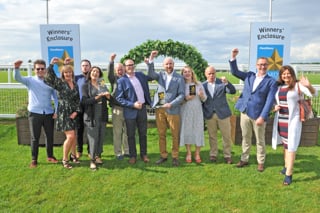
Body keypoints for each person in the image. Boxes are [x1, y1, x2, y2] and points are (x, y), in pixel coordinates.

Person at [229, 48, 277, 172]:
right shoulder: (249, 75)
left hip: (258, 115)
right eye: (260, 64)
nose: (262, 67)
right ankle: (244, 159)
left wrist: (263, 116)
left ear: (268, 66)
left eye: (265, 64)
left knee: (260, 140)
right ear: (256, 65)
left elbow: (269, 101)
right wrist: (233, 57)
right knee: (245, 137)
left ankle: (260, 161)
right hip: (245, 112)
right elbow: (234, 71)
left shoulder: (271, 82)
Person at [272, 65, 316, 185]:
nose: (286, 75)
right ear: (281, 76)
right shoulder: (280, 87)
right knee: (285, 144)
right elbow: (277, 101)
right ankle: (286, 166)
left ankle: (289, 175)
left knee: (291, 146)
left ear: (292, 74)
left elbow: (314, 94)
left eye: (288, 73)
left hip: (293, 120)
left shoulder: (298, 86)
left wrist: (308, 86)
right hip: (281, 119)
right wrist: (275, 107)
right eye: (283, 74)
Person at [14, 59, 59, 168]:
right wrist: (16, 68)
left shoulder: (50, 81)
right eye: (38, 69)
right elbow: (18, 78)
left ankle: (50, 156)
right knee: (35, 137)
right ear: (34, 70)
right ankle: (34, 159)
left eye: (42, 68)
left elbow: (56, 98)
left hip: (48, 113)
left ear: (45, 70)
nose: (40, 70)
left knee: (49, 136)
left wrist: (56, 111)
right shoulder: (30, 80)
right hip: (34, 113)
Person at [146, 50, 185, 166]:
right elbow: (151, 74)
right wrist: (151, 59)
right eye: (166, 64)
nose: (168, 66)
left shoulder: (179, 78)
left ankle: (175, 156)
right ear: (163, 66)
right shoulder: (160, 76)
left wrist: (172, 103)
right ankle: (163, 155)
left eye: (170, 64)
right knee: (161, 133)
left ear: (173, 65)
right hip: (160, 109)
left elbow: (182, 94)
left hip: (173, 110)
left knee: (174, 134)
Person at [44, 57, 81, 169]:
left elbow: (77, 100)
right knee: (70, 136)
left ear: (72, 73)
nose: (68, 74)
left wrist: (76, 111)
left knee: (74, 136)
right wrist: (51, 65)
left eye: (69, 72)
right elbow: (49, 78)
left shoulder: (75, 84)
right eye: (65, 72)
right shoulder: (60, 83)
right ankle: (65, 159)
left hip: (73, 113)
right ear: (63, 74)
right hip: (64, 113)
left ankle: (73, 155)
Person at [115, 59, 152, 164]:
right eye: (128, 65)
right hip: (130, 111)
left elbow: (152, 76)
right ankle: (132, 155)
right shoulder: (121, 81)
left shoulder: (140, 75)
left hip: (142, 109)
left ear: (134, 66)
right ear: (125, 67)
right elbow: (119, 98)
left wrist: (149, 63)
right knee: (130, 135)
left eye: (131, 65)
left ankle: (144, 154)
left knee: (143, 134)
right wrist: (133, 104)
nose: (130, 67)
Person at [202, 66, 236, 164]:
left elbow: (233, 91)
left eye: (213, 73)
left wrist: (227, 82)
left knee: (226, 136)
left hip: (223, 114)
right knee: (212, 136)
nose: (211, 75)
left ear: (215, 73)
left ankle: (227, 155)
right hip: (209, 114)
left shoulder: (221, 83)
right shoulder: (203, 85)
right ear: (206, 74)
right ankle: (213, 154)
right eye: (209, 74)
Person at [81, 66, 110, 170]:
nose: (95, 73)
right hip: (91, 115)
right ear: (90, 73)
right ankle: (92, 160)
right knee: (93, 138)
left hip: (102, 114)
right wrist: (96, 98)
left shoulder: (102, 83)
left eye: (97, 72)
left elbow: (108, 95)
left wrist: (107, 95)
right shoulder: (85, 86)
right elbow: (84, 101)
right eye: (93, 71)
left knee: (101, 136)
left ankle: (98, 156)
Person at [180, 66, 207, 163]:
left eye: (189, 72)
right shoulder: (181, 85)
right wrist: (186, 98)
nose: (187, 73)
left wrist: (201, 95)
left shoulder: (198, 84)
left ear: (192, 73)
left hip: (197, 111)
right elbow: (179, 100)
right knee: (187, 131)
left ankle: (197, 153)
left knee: (198, 130)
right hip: (186, 111)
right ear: (182, 74)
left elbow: (205, 99)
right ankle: (188, 153)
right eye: (185, 72)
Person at [108, 53, 129, 160]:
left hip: (128, 109)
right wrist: (111, 61)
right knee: (117, 132)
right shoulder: (114, 79)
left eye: (121, 69)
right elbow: (109, 74)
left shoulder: (129, 78)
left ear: (124, 69)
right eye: (118, 69)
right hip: (117, 109)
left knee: (127, 131)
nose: (120, 71)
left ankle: (127, 151)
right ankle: (118, 152)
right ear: (116, 71)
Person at [75, 59, 91, 158]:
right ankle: (79, 150)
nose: (85, 67)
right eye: (83, 65)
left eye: (87, 65)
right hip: (79, 107)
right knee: (79, 130)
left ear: (90, 66)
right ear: (81, 68)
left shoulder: (96, 78)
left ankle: (90, 151)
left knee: (90, 130)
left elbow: (102, 88)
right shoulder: (77, 78)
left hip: (90, 107)